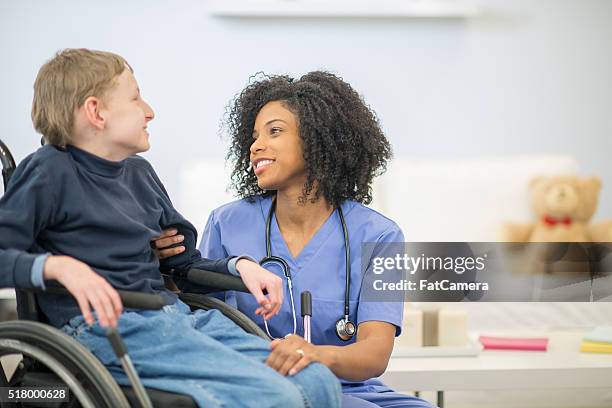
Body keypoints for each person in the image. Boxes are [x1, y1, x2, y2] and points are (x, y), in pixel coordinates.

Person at [0, 49, 341, 408]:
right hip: (112, 329)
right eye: (135, 98)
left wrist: (239, 266)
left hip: (174, 318)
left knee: (316, 378)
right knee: (273, 395)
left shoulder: (140, 174)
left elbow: (184, 265)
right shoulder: (49, 172)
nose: (149, 111)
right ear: (96, 112)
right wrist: (54, 266)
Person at [155, 71, 436, 407]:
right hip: (266, 388)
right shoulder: (228, 223)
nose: (255, 145)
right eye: (254, 136)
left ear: (318, 139)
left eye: (274, 131)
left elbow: (375, 354)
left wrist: (315, 354)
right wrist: (163, 268)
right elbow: (198, 313)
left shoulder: (380, 235)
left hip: (351, 387)